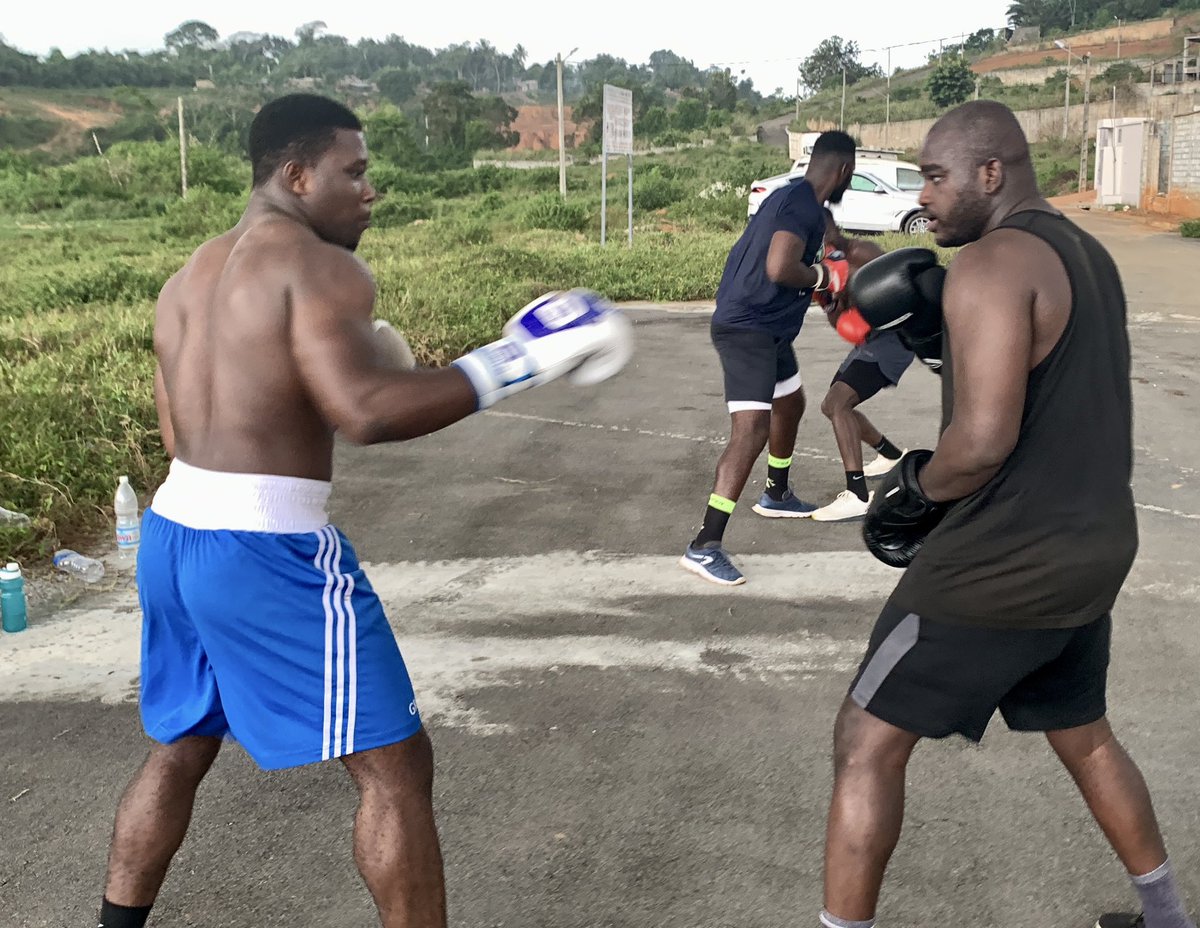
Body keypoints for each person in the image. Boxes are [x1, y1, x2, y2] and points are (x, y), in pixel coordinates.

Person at [94, 94, 632, 928]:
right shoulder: (319, 266)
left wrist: (308, 393)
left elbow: (180, 427)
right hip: (264, 551)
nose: (370, 191)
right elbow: (368, 412)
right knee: (395, 768)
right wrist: (516, 360)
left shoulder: (187, 275)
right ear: (297, 175)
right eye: (356, 171)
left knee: (182, 743)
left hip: (173, 532)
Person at [818, 100, 1195, 928]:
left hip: (1002, 562)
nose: (928, 197)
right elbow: (1038, 372)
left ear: (993, 173)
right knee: (1084, 734)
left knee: (865, 740)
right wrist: (931, 333)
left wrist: (915, 488)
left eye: (940, 177)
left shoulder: (992, 264)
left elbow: (983, 440)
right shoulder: (1085, 254)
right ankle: (1167, 917)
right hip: (1090, 550)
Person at [680, 131, 856, 587]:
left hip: (771, 330)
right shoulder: (797, 204)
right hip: (748, 328)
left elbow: (833, 246)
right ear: (841, 170)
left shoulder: (808, 206)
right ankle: (704, 545)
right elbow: (781, 268)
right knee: (750, 431)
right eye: (851, 175)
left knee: (791, 403)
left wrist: (840, 265)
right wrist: (823, 278)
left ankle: (776, 493)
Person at [812, 222, 914, 523]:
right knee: (833, 407)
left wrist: (851, 284)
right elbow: (845, 328)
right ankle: (892, 455)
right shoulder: (823, 268)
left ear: (829, 232)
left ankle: (857, 495)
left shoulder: (863, 252)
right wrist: (829, 300)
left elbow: (899, 294)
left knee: (838, 403)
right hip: (870, 340)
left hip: (895, 339)